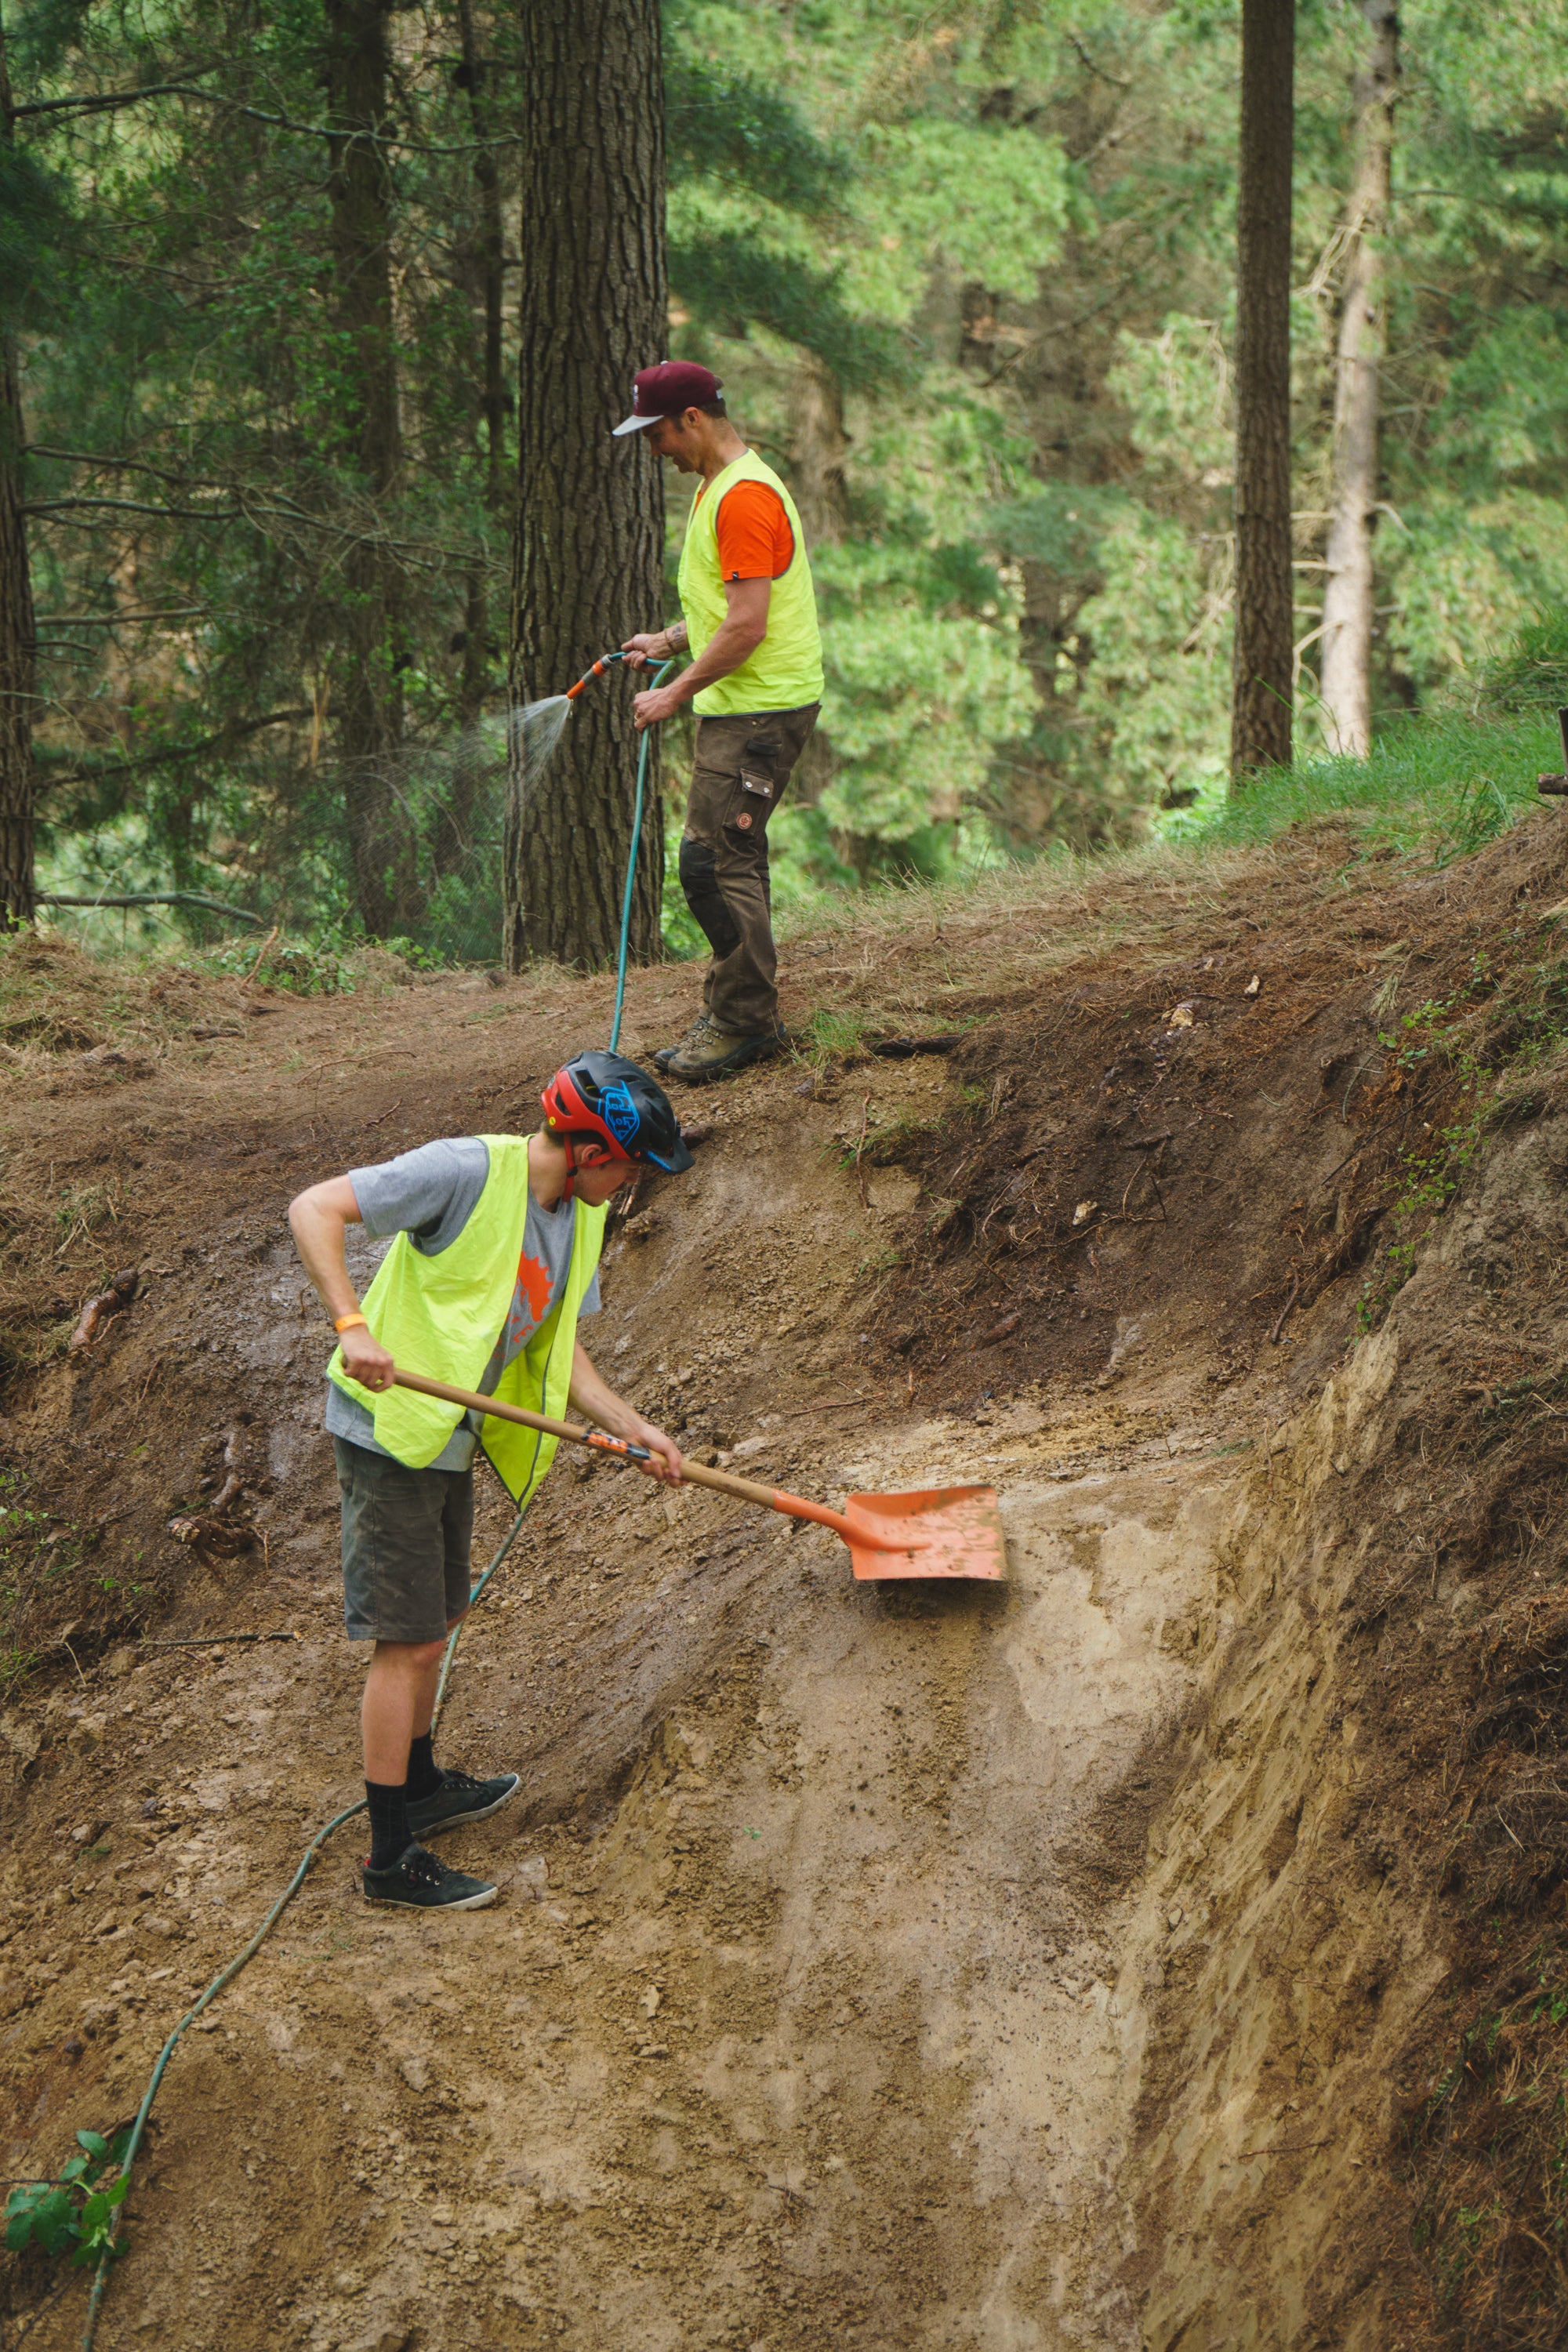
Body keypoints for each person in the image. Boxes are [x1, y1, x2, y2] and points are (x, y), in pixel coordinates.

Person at [288, 1052, 691, 1914]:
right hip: (388, 1432)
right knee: (407, 1643)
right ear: (588, 1149)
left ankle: (422, 1783)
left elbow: (560, 1347)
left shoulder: (578, 1219)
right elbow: (314, 1207)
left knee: (438, 1625)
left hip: (448, 1436)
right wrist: (352, 1325)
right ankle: (390, 1857)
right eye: (627, 1169)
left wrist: (634, 1426)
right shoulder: (466, 1171)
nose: (628, 1190)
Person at [615, 359, 824, 1085]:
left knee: (711, 865)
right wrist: (669, 642)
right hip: (748, 704)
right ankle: (740, 1008)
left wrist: (674, 694)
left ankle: (743, 1021)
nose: (655, 450)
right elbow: (722, 607)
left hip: (758, 711)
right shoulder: (721, 488)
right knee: (730, 860)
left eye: (658, 434)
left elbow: (748, 627)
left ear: (693, 420)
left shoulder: (742, 499)